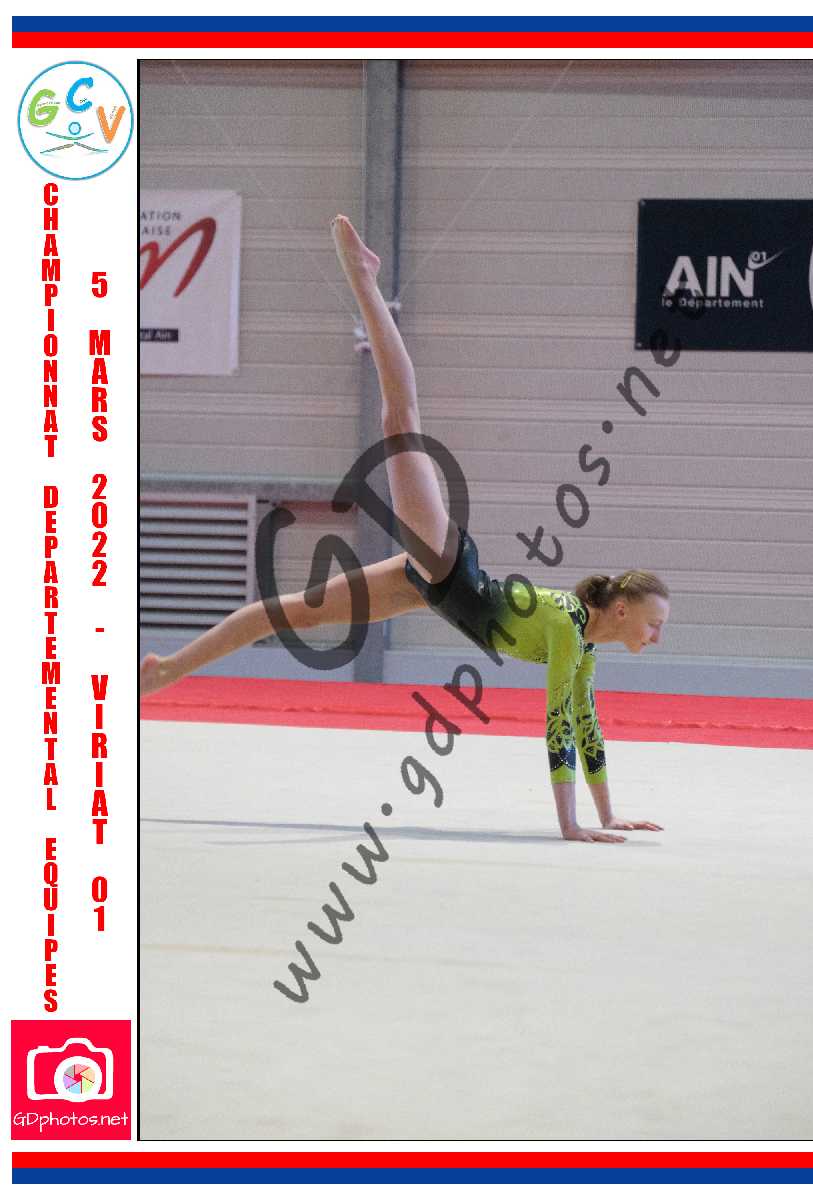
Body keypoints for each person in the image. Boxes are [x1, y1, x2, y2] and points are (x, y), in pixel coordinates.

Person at [141, 215, 670, 843]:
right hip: (446, 566)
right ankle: (365, 280)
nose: (657, 635)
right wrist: (571, 826)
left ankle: (168, 670)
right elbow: (557, 724)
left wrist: (608, 814)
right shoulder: (565, 629)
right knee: (400, 421)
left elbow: (585, 724)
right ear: (621, 610)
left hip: (432, 586)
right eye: (654, 623)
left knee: (288, 614)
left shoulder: (583, 643)